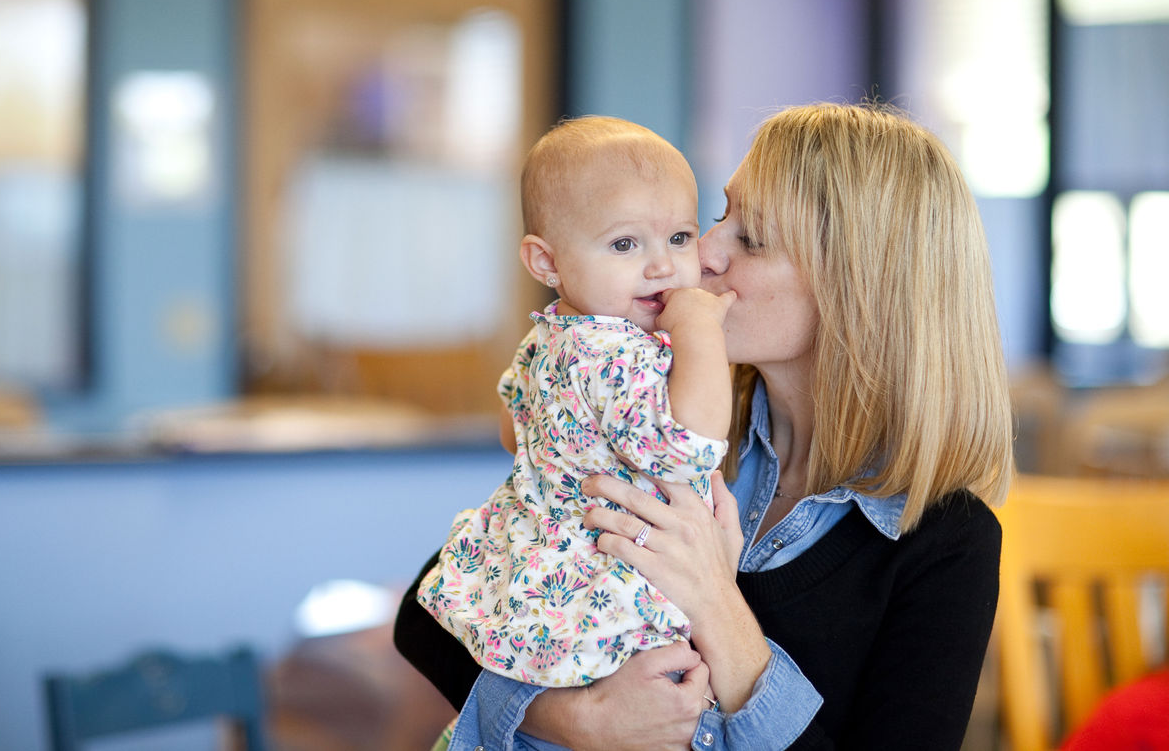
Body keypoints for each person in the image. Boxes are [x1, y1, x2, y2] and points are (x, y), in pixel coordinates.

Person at [395, 101, 1015, 751]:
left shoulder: (950, 543)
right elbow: (429, 615)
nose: (704, 252)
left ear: (856, 288)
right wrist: (579, 718)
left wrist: (717, 604)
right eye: (720, 215)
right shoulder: (649, 412)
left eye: (751, 238)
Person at [416, 115, 736, 696]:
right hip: (603, 580)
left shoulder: (551, 334)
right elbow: (689, 449)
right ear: (547, 263)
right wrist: (699, 333)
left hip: (537, 557)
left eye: (680, 237)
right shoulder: (616, 350)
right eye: (624, 243)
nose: (662, 265)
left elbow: (514, 426)